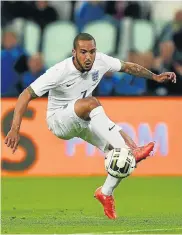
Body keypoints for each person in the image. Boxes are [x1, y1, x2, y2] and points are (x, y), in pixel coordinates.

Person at [4, 33, 176, 219]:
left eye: (92, 52)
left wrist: (155, 77)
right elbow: (25, 94)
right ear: (74, 52)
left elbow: (128, 67)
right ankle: (131, 150)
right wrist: (14, 128)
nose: (89, 57)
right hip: (59, 120)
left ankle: (106, 192)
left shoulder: (100, 61)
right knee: (92, 103)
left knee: (121, 152)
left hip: (83, 119)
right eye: (84, 52)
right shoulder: (60, 71)